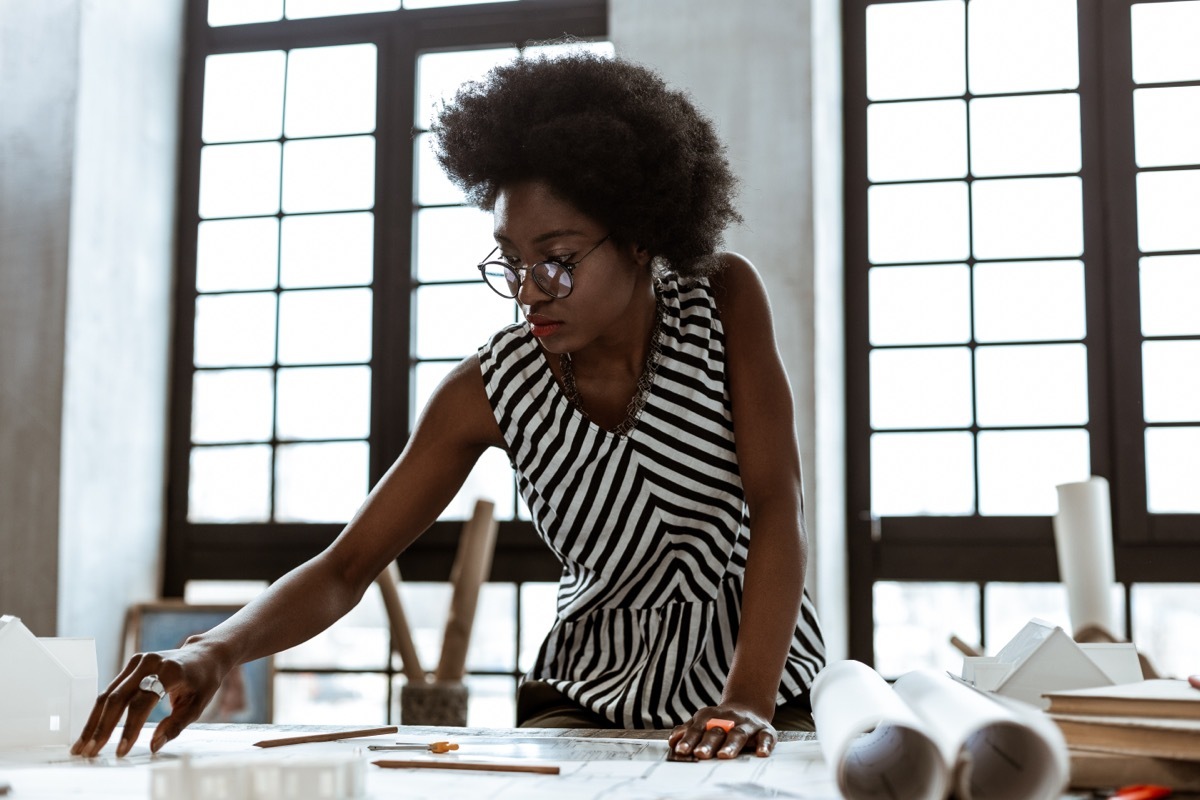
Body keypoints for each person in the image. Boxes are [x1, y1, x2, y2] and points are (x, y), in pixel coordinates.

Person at [71, 49, 825, 762]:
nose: (529, 289)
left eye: (557, 260)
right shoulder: (491, 389)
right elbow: (347, 567)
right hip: (591, 696)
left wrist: (746, 701)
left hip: (765, 687)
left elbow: (774, 503)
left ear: (637, 237)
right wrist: (215, 648)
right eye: (512, 261)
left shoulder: (720, 300)